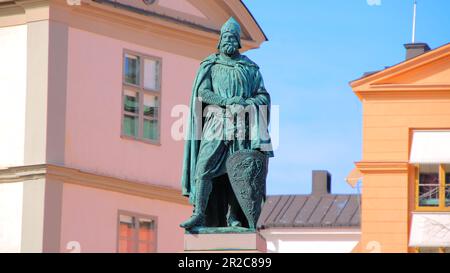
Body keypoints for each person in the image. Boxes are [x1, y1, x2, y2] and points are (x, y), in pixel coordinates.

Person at [180, 17, 273, 229]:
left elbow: (263, 96)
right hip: (216, 122)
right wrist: (225, 101)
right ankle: (199, 213)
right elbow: (202, 92)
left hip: (242, 124)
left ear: (238, 41)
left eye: (233, 37)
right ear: (220, 40)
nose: (229, 40)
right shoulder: (210, 65)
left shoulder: (250, 68)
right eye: (226, 37)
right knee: (203, 166)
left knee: (238, 170)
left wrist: (246, 103)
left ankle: (234, 217)